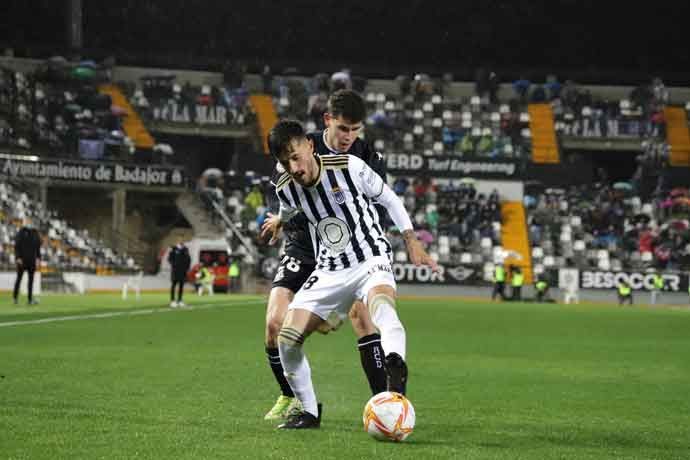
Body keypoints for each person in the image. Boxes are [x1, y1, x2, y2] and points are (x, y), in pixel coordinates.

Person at [261, 119, 437, 429]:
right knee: (286, 338)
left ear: (310, 146)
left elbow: (389, 198)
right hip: (330, 269)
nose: (294, 166)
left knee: (381, 307)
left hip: (369, 256)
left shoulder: (349, 166)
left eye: (296, 155)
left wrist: (411, 239)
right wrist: (280, 221)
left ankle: (396, 370)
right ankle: (310, 411)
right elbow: (289, 206)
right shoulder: (286, 187)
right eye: (285, 161)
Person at [261, 90, 389, 421]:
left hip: (343, 251)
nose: (348, 136)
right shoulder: (300, 144)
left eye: (355, 129)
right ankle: (292, 397)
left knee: (363, 319)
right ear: (328, 121)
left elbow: (372, 212)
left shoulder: (367, 159)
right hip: (303, 243)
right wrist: (280, 217)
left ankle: (384, 406)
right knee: (275, 323)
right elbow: (287, 189)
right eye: (343, 128)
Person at [13, 221, 41, 305]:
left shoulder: (35, 233)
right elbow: (17, 246)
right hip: (22, 260)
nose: (30, 223)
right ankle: (15, 298)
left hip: (32, 260)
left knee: (31, 280)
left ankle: (30, 299)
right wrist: (18, 257)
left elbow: (38, 247)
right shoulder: (21, 232)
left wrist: (38, 258)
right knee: (19, 279)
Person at [168, 238, 191, 308]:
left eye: (183, 240)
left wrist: (186, 268)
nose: (181, 241)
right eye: (180, 239)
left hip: (183, 271)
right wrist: (174, 265)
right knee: (174, 285)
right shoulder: (173, 249)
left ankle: (180, 300)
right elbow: (169, 259)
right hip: (175, 270)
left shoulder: (186, 249)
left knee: (181, 285)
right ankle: (172, 301)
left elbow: (188, 259)